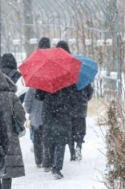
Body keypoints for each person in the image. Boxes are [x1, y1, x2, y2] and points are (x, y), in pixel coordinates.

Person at [35, 40, 76, 179]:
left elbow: (39, 96)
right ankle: (57, 167)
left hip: (49, 111)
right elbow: (73, 92)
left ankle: (51, 162)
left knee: (51, 137)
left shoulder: (45, 72)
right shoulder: (68, 71)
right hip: (63, 110)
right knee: (61, 139)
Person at [24, 88, 44, 168]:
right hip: (48, 118)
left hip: (36, 118)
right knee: (48, 140)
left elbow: (27, 104)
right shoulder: (51, 87)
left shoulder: (32, 89)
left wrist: (30, 111)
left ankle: (38, 161)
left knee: (37, 141)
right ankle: (48, 161)